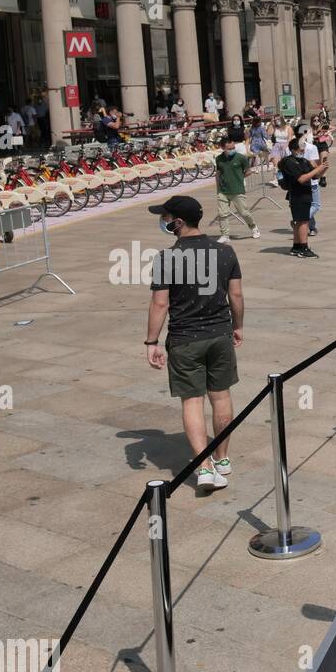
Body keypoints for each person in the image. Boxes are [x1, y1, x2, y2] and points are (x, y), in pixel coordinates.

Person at [144, 196, 244, 492]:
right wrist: (237, 326)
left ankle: (203, 467)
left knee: (193, 401)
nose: (163, 222)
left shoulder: (167, 258)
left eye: (166, 217)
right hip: (219, 335)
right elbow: (235, 296)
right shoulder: (225, 252)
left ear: (178, 222)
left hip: (185, 339)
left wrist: (152, 341)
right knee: (221, 397)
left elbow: (159, 304)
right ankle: (222, 458)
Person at [277, 136, 327, 257]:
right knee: (303, 222)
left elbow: (315, 176)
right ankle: (304, 248)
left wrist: (323, 169)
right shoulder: (289, 162)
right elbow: (301, 179)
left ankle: (296, 246)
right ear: (293, 150)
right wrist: (317, 169)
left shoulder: (303, 161)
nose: (303, 151)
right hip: (297, 195)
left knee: (300, 221)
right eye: (300, 149)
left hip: (305, 193)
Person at [214, 135, 260, 243]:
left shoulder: (241, 158)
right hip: (223, 191)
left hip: (237, 190)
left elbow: (248, 171)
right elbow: (218, 173)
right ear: (223, 148)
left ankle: (253, 227)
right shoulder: (219, 159)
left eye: (233, 148)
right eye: (229, 149)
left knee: (244, 212)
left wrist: (239, 177)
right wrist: (218, 189)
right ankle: (225, 235)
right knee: (222, 214)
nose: (232, 150)